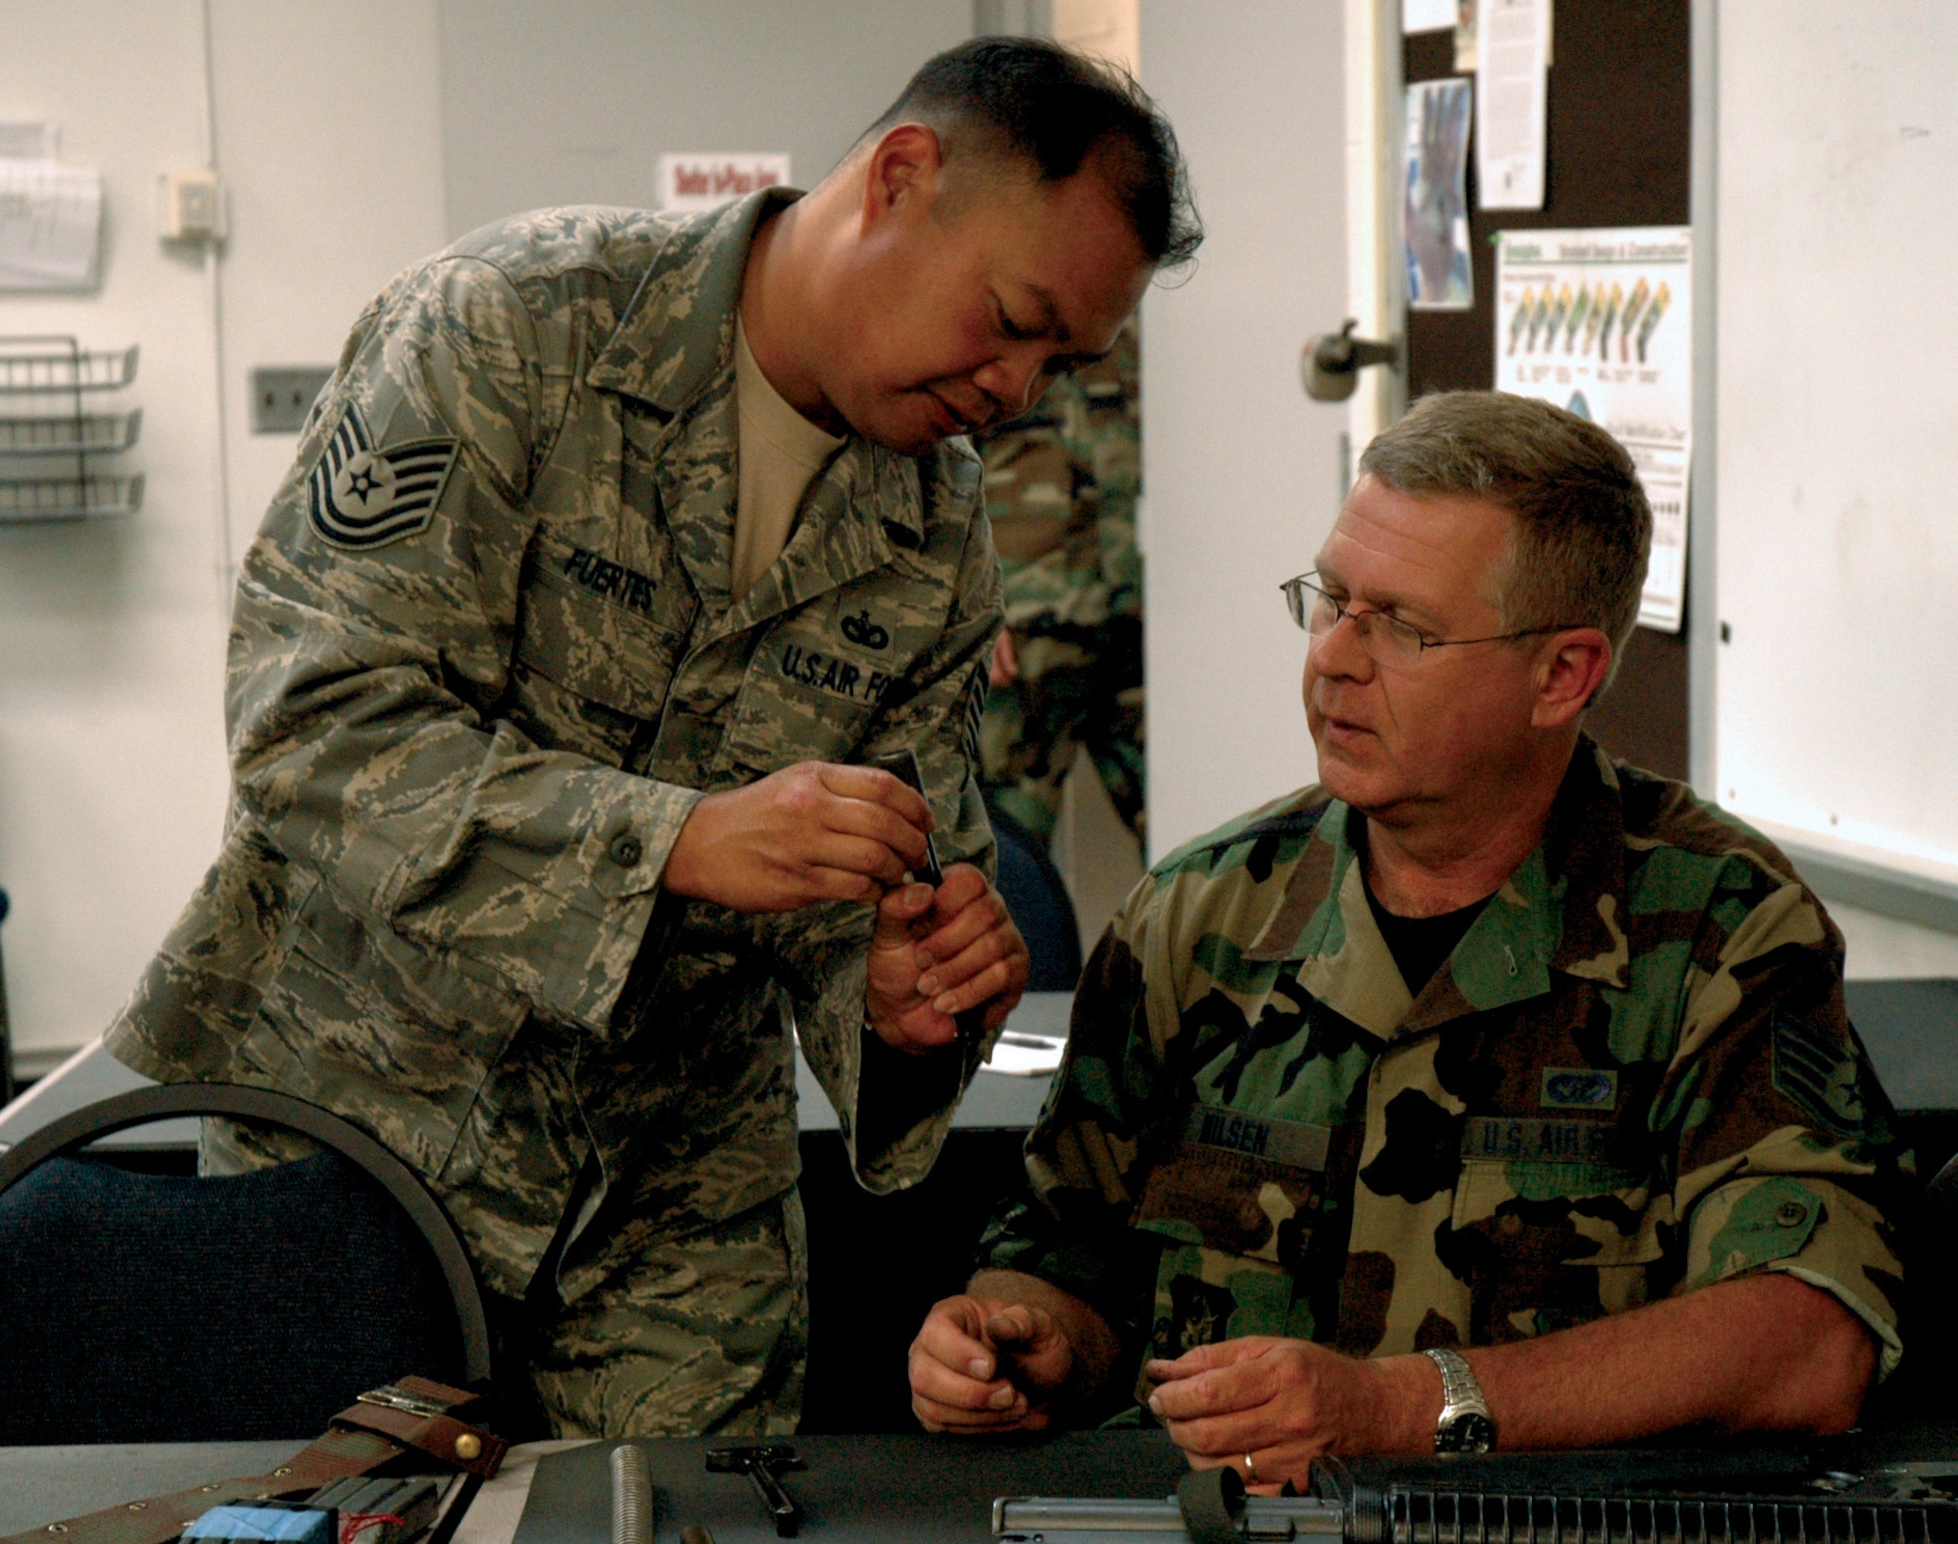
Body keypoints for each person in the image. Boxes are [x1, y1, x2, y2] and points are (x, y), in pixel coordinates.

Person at [105, 37, 1201, 1440]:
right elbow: (310, 721)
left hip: (676, 1210)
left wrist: (900, 991)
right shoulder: (508, 329)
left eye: (1067, 361)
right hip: (365, 1125)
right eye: (1010, 316)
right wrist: (678, 839)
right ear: (900, 179)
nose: (1015, 388)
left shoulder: (934, 525)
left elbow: (884, 891)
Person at [908, 391, 1906, 1489]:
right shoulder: (1201, 915)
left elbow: (1808, 1341)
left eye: (1401, 625)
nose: (1334, 656)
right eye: (1331, 600)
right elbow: (1071, 1252)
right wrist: (1025, 1345)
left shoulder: (1716, 933)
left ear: (1561, 674)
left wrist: (1395, 1406)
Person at [975, 311, 1146, 854]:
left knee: (1202, 839)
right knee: (1005, 858)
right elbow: (929, 472)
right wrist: (971, 605)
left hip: (1145, 622)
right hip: (1025, 631)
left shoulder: (1145, 322)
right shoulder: (987, 317)